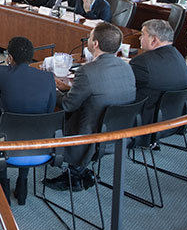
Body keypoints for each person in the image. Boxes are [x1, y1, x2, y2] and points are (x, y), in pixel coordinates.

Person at [45, 22, 136, 191]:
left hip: (88, 134)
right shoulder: (127, 67)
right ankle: (79, 170)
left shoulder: (86, 72)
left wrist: (51, 88)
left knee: (51, 116)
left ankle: (73, 173)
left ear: (95, 44)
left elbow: (67, 105)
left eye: (90, 36)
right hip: (119, 131)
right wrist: (72, 88)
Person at [0, 36, 56, 203]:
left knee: (3, 120)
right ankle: (23, 184)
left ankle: (3, 184)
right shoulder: (48, 78)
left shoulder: (2, 73)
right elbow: (48, 111)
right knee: (30, 125)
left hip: (7, 146)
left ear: (10, 58)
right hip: (38, 149)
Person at [130, 19, 187, 124]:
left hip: (146, 120)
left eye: (143, 35)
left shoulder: (142, 62)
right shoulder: (178, 55)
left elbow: (125, 86)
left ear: (154, 40)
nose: (140, 38)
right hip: (175, 117)